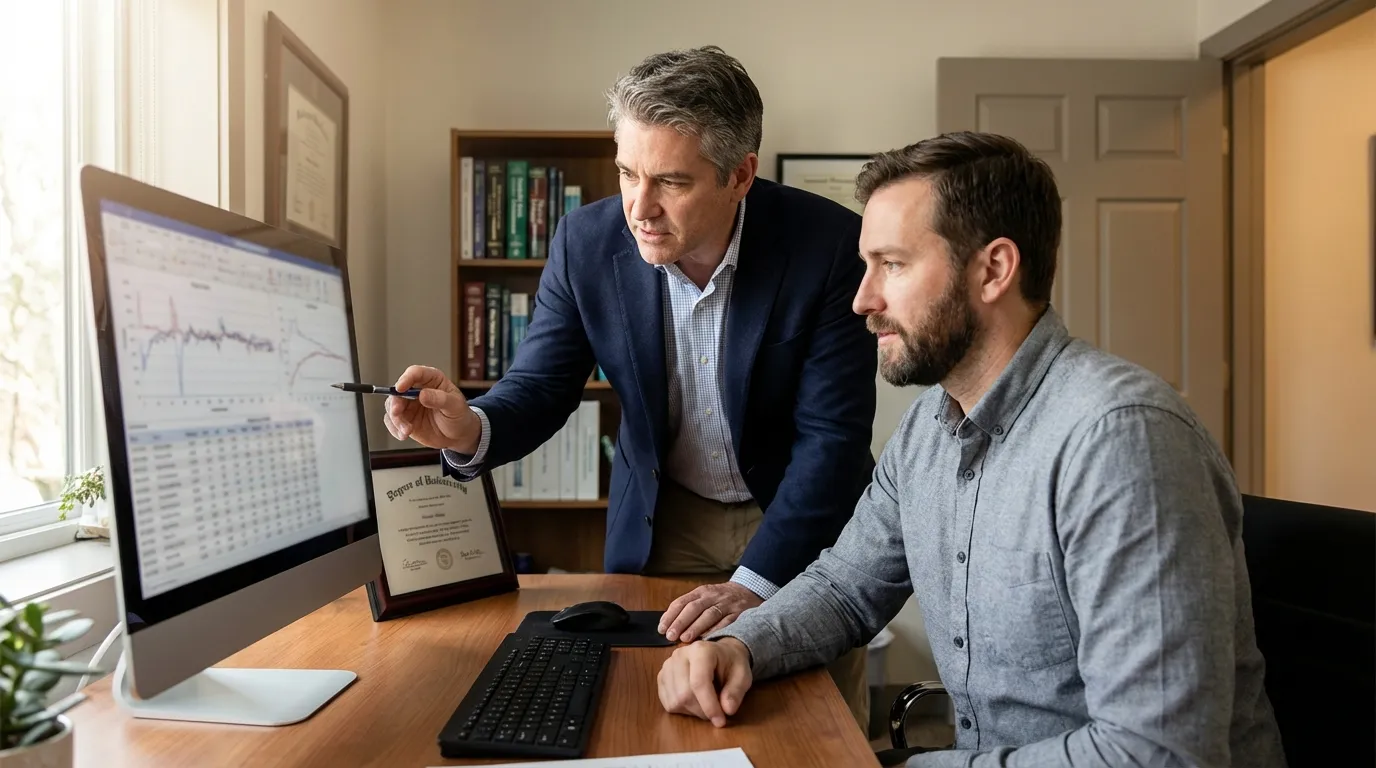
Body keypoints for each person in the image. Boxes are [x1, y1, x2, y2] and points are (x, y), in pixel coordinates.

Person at [655, 132, 1287, 767]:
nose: (862, 300)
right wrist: (739, 646)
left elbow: (1158, 754)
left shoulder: (1121, 442)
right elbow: (845, 587)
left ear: (993, 270)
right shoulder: (928, 429)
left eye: (892, 264)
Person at [382, 46, 877, 730]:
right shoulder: (585, 242)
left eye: (670, 181)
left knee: (812, 724)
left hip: (801, 512)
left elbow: (832, 440)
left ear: (740, 175)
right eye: (627, 173)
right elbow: (542, 384)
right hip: (665, 516)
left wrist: (753, 586)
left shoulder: (830, 245)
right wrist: (470, 428)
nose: (639, 208)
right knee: (649, 713)